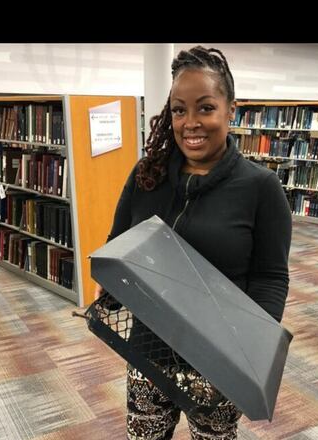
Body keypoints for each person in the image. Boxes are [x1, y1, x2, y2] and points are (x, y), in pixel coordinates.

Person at [95, 46, 292, 440]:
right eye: (178, 109)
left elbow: (271, 278)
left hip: (217, 363)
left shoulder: (260, 187)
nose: (190, 123)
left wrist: (247, 353)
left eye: (205, 108)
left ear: (231, 109)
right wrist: (112, 288)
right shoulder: (146, 175)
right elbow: (118, 241)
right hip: (149, 349)